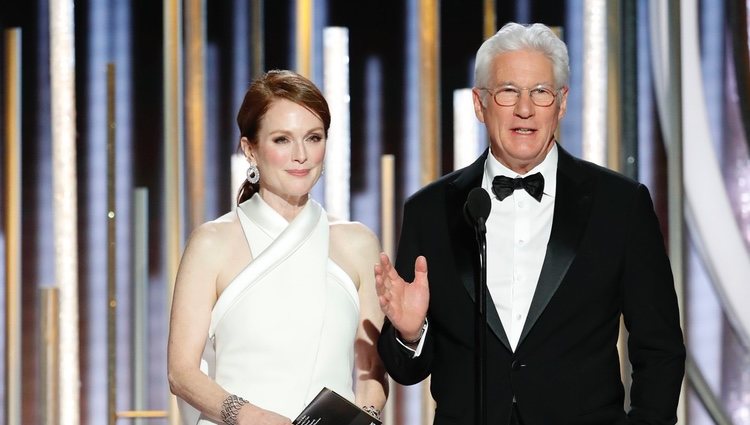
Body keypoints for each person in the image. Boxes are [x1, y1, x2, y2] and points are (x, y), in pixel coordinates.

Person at [375, 22, 685, 425]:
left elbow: (660, 348)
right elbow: (406, 370)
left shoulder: (620, 205)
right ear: (479, 103)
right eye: (508, 92)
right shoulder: (430, 210)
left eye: (540, 92)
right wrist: (411, 335)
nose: (525, 109)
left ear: (562, 103)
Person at [168, 69, 387, 425]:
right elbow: (181, 372)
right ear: (250, 149)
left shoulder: (357, 242)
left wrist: (365, 418)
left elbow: (372, 370)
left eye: (313, 138)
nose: (301, 155)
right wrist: (249, 416)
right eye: (282, 140)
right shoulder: (212, 242)